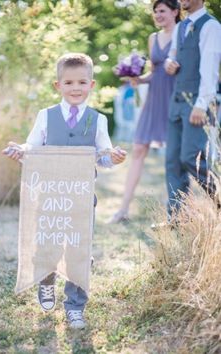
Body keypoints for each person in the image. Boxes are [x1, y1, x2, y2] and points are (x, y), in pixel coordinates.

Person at [2, 53, 126, 329]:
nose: (75, 88)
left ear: (91, 85)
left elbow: (102, 157)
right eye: (69, 82)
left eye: (82, 82)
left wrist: (113, 158)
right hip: (50, 195)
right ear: (58, 86)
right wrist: (19, 151)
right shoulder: (46, 116)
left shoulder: (98, 120)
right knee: (50, 242)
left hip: (82, 198)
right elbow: (32, 149)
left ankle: (75, 306)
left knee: (78, 251)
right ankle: (46, 280)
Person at [110, 0, 180, 223]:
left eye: (163, 10)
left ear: (176, 12)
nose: (158, 15)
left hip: (175, 98)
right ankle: (122, 210)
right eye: (155, 11)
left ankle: (178, 213)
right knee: (139, 148)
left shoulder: (183, 34)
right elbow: (155, 73)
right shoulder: (152, 38)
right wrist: (137, 79)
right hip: (153, 100)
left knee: (176, 157)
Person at [164, 0, 221, 220]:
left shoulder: (211, 27)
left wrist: (201, 104)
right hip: (176, 102)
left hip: (197, 103)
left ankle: (218, 200)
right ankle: (177, 219)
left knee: (191, 157)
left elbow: (210, 68)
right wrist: (170, 62)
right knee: (173, 162)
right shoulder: (180, 27)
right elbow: (173, 54)